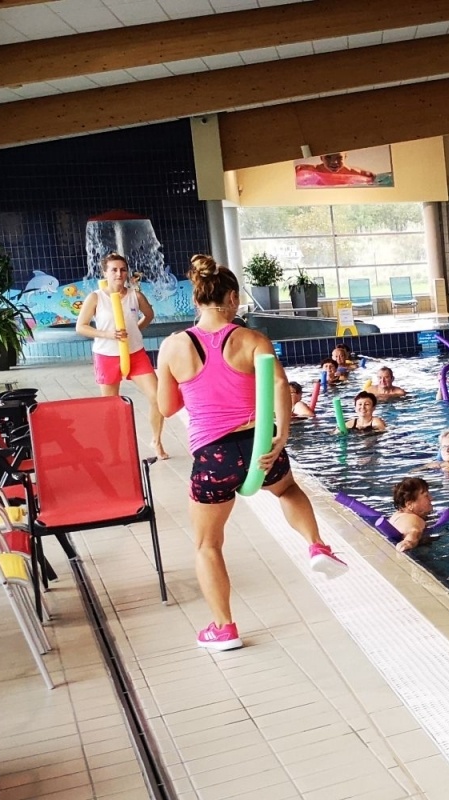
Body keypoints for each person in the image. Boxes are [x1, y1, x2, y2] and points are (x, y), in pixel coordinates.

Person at [156, 255, 347, 651]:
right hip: (257, 445)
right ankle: (316, 545)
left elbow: (167, 408)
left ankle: (223, 628)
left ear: (196, 298)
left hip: (213, 456)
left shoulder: (173, 346)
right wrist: (280, 435)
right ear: (231, 297)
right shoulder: (252, 339)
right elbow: (279, 384)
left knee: (208, 544)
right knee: (287, 490)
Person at [76, 252, 167, 459]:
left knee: (157, 397)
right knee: (111, 407)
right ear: (105, 273)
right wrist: (107, 334)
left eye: (123, 269)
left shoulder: (136, 296)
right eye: (114, 270)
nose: (119, 273)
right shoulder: (95, 298)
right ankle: (114, 450)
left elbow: (149, 315)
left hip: (135, 354)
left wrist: (136, 330)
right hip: (107, 356)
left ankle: (157, 441)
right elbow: (80, 327)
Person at [387, 477, 434, 553]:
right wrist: (409, 542)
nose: (431, 498)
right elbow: (414, 531)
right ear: (409, 504)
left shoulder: (398, 515)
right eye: (426, 495)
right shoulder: (413, 519)